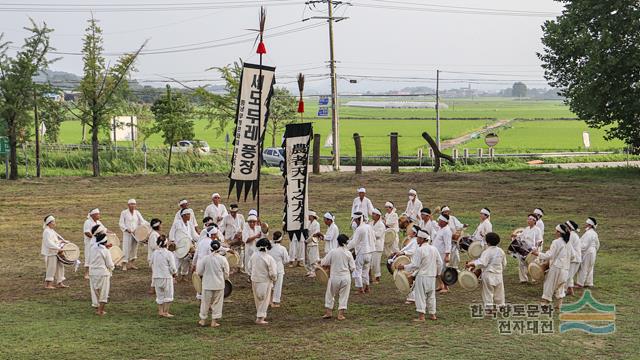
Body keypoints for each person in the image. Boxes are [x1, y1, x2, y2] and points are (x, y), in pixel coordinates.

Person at [397, 228, 442, 322]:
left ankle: (421, 317)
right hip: (432, 276)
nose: (416, 239)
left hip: (422, 276)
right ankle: (433, 314)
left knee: (420, 296)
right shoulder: (434, 249)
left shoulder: (420, 250)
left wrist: (404, 267)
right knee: (431, 296)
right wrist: (438, 273)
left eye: (418, 238)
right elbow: (440, 263)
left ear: (422, 239)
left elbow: (415, 265)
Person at [531, 224, 572, 309]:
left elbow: (549, 255)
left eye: (556, 231)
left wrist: (537, 253)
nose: (555, 232)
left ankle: (544, 304)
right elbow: (573, 256)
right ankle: (558, 305)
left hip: (556, 267)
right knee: (560, 286)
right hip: (565, 268)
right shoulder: (568, 243)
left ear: (559, 233)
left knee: (549, 285)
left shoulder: (556, 242)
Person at [466, 232, 506, 311]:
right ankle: (501, 305)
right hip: (498, 274)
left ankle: (489, 308)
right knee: (499, 291)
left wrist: (471, 264)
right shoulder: (501, 251)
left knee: (488, 292)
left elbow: (482, 263)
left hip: (488, 274)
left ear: (487, 242)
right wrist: (500, 270)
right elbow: (504, 263)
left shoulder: (487, 252)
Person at [321, 234, 356, 320]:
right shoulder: (348, 253)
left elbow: (324, 262)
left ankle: (328, 312)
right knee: (344, 295)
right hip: (345, 277)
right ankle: (340, 314)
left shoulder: (333, 252)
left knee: (330, 294)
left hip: (334, 277)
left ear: (338, 242)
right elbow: (353, 267)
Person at [196, 240, 229, 327]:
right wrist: (223, 279)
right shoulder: (223, 259)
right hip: (219, 284)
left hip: (207, 284)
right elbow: (226, 274)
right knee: (217, 303)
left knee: (205, 302)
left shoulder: (205, 259)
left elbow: (199, 272)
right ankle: (214, 321)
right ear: (219, 249)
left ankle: (203, 320)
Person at [247, 238, 278, 325]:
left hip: (255, 279)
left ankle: (260, 315)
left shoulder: (254, 255)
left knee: (258, 298)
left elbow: (249, 267)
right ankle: (260, 318)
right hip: (264, 281)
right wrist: (273, 279)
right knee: (264, 299)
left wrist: (251, 275)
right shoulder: (269, 258)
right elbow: (273, 272)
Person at [347, 212, 375, 294]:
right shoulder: (369, 227)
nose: (354, 221)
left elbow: (354, 242)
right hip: (369, 252)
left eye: (355, 219)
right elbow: (373, 239)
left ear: (358, 219)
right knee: (366, 270)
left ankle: (360, 289)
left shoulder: (359, 229)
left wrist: (346, 247)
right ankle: (367, 287)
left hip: (362, 252)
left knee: (358, 270)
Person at [88, 232, 115, 316]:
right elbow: (109, 264)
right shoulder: (105, 251)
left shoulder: (92, 248)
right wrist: (113, 267)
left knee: (95, 291)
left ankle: (97, 308)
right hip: (103, 273)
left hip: (92, 272)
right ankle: (100, 311)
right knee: (104, 292)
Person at [151, 235, 177, 318]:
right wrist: (174, 273)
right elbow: (173, 267)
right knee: (168, 294)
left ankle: (160, 311)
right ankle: (165, 312)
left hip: (156, 276)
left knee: (160, 295)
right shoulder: (169, 254)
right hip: (166, 276)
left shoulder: (154, 253)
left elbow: (151, 263)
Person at [169, 208, 199, 281]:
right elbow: (171, 232)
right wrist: (172, 241)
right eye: (188, 214)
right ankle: (173, 277)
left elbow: (194, 235)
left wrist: (201, 238)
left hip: (188, 245)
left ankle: (183, 276)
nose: (189, 216)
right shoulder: (177, 223)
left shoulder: (190, 224)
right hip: (179, 245)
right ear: (183, 215)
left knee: (186, 261)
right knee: (177, 261)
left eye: (189, 214)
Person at [118, 199, 148, 271]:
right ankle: (124, 264)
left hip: (136, 233)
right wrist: (126, 229)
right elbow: (121, 223)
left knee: (134, 248)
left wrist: (144, 227)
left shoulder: (137, 212)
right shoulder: (124, 212)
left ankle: (131, 264)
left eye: (134, 204)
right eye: (131, 204)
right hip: (127, 233)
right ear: (128, 205)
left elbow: (142, 221)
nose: (133, 205)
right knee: (126, 248)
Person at [193, 226, 220, 299]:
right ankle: (205, 301)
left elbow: (196, 254)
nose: (216, 236)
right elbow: (211, 255)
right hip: (206, 266)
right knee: (206, 283)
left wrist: (193, 264)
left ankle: (200, 298)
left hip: (199, 265)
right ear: (212, 235)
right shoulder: (211, 243)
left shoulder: (201, 241)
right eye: (215, 234)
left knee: (199, 282)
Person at [41, 215, 68, 289]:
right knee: (51, 268)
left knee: (60, 266)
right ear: (49, 223)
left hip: (56, 252)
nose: (54, 223)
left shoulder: (51, 231)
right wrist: (58, 248)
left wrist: (61, 241)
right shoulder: (46, 232)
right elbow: (48, 243)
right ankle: (48, 284)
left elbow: (54, 241)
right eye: (53, 222)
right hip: (51, 253)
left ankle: (60, 282)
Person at [517, 214, 543, 283]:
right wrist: (515, 235)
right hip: (524, 248)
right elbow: (521, 236)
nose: (528, 220)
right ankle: (523, 279)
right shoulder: (526, 228)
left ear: (534, 221)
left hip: (533, 250)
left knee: (532, 264)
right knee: (521, 263)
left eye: (530, 219)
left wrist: (539, 244)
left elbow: (540, 239)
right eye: (528, 219)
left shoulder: (537, 230)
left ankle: (535, 279)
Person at [576, 217, 599, 288]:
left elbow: (584, 245)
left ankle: (580, 283)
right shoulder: (594, 233)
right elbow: (598, 244)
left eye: (586, 224)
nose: (585, 225)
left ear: (589, 225)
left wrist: (577, 249)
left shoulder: (589, 233)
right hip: (593, 251)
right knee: (590, 267)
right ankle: (589, 283)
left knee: (584, 267)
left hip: (588, 252)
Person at [268, 231, 289, 307]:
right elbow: (286, 260)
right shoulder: (282, 249)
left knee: (270, 285)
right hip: (279, 269)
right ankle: (275, 301)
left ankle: (269, 300)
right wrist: (281, 262)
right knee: (278, 286)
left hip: (269, 269)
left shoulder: (269, 247)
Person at [432, 214, 452, 293]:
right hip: (437, 253)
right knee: (438, 270)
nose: (438, 222)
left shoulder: (447, 231)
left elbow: (448, 244)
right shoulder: (441, 229)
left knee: (443, 270)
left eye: (439, 221)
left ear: (444, 222)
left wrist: (447, 255)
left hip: (442, 254)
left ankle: (446, 287)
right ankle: (441, 285)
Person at [83, 208, 102, 279]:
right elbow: (87, 232)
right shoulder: (87, 222)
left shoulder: (98, 222)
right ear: (93, 215)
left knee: (96, 257)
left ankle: (94, 272)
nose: (99, 215)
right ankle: (86, 273)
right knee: (88, 257)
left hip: (97, 243)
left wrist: (110, 232)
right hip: (89, 243)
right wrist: (94, 237)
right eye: (97, 214)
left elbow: (104, 229)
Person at [564, 220, 581, 295]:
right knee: (569, 275)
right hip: (575, 258)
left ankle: (563, 291)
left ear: (569, 227)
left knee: (567, 276)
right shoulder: (573, 234)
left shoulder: (571, 235)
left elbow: (568, 247)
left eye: (566, 226)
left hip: (574, 259)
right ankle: (570, 290)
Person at [370, 208, 386, 283]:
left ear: (378, 216)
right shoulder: (370, 223)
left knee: (376, 263)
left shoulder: (381, 225)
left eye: (374, 214)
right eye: (372, 213)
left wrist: (370, 232)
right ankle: (370, 276)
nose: (372, 215)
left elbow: (378, 235)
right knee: (370, 262)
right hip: (371, 245)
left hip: (378, 246)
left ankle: (377, 278)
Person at [147, 218, 162, 294]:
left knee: (156, 272)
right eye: (160, 225)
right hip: (153, 257)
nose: (161, 226)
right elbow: (153, 246)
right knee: (155, 273)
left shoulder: (155, 234)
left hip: (156, 257)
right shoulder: (153, 235)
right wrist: (163, 246)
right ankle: (152, 289)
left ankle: (154, 288)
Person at [305, 211, 321, 277]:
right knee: (308, 257)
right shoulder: (308, 223)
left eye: (309, 216)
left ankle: (314, 271)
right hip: (308, 242)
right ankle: (310, 270)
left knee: (313, 258)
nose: (308, 217)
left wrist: (307, 240)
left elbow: (315, 234)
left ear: (311, 216)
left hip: (313, 242)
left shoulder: (317, 224)